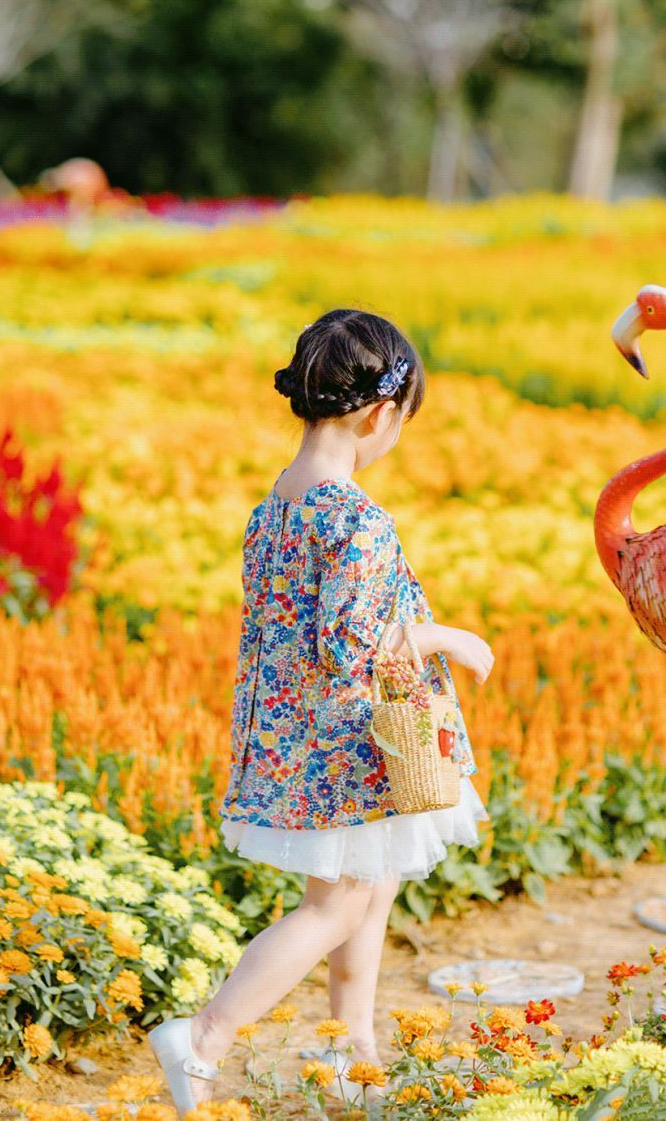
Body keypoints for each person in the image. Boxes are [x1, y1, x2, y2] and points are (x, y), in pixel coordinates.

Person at [149, 309, 495, 1114]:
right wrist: (448, 636)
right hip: (345, 748)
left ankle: (353, 1052)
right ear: (381, 413)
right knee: (335, 903)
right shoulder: (358, 518)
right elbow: (355, 646)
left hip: (296, 741)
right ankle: (205, 1035)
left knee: (367, 890)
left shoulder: (275, 505)